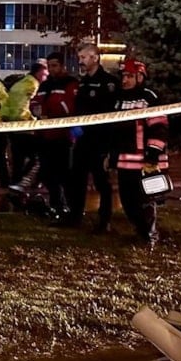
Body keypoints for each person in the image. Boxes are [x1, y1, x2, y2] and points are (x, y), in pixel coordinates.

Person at [110, 58, 168, 248]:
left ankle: (150, 236)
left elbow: (159, 126)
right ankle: (140, 232)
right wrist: (112, 156)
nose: (124, 80)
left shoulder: (149, 98)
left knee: (145, 201)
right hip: (125, 161)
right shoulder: (118, 99)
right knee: (127, 201)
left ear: (140, 77)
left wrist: (153, 152)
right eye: (123, 76)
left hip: (145, 161)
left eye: (129, 76)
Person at [63, 43, 119, 230]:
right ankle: (75, 216)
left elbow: (108, 113)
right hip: (82, 141)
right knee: (76, 179)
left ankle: (105, 221)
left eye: (84, 57)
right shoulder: (84, 82)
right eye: (79, 58)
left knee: (101, 182)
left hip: (100, 140)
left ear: (95, 58)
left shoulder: (109, 83)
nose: (80, 61)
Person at [34, 52, 80, 221]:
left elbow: (71, 106)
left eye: (55, 65)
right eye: (49, 66)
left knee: (65, 175)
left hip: (63, 137)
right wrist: (36, 109)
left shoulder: (70, 83)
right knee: (48, 174)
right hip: (45, 136)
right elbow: (35, 102)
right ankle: (56, 206)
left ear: (62, 66)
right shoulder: (45, 85)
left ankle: (71, 208)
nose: (52, 69)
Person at [3, 61, 47, 200]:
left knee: (18, 159)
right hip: (25, 126)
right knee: (38, 157)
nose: (46, 77)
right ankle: (25, 183)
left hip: (12, 126)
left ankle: (15, 186)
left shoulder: (19, 83)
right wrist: (34, 120)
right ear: (39, 73)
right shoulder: (33, 85)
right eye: (45, 74)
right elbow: (29, 106)